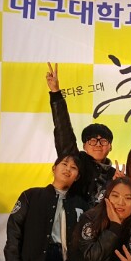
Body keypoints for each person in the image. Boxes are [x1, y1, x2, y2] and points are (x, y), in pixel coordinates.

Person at [47, 62, 117, 205]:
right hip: (72, 217)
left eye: (103, 141)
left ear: (110, 146)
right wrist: (56, 94)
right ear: (84, 146)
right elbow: (63, 130)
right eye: (92, 140)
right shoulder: (75, 162)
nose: (98, 145)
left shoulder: (115, 175)